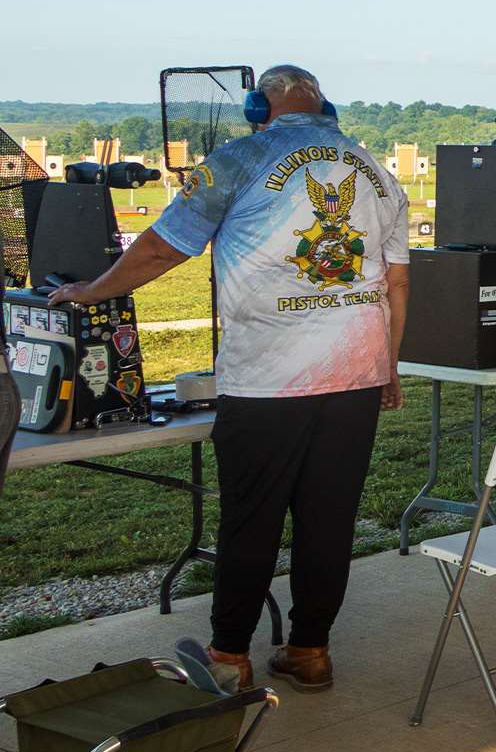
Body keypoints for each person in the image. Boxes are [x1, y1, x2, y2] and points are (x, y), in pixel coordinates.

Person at [50, 64, 409, 693]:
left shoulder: (238, 158)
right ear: (324, 106)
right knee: (329, 521)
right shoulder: (375, 169)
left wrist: (91, 291)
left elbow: (163, 247)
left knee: (251, 518)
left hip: (268, 382)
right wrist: (388, 364)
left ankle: (229, 657)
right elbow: (397, 282)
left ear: (257, 106)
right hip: (356, 374)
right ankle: (310, 650)